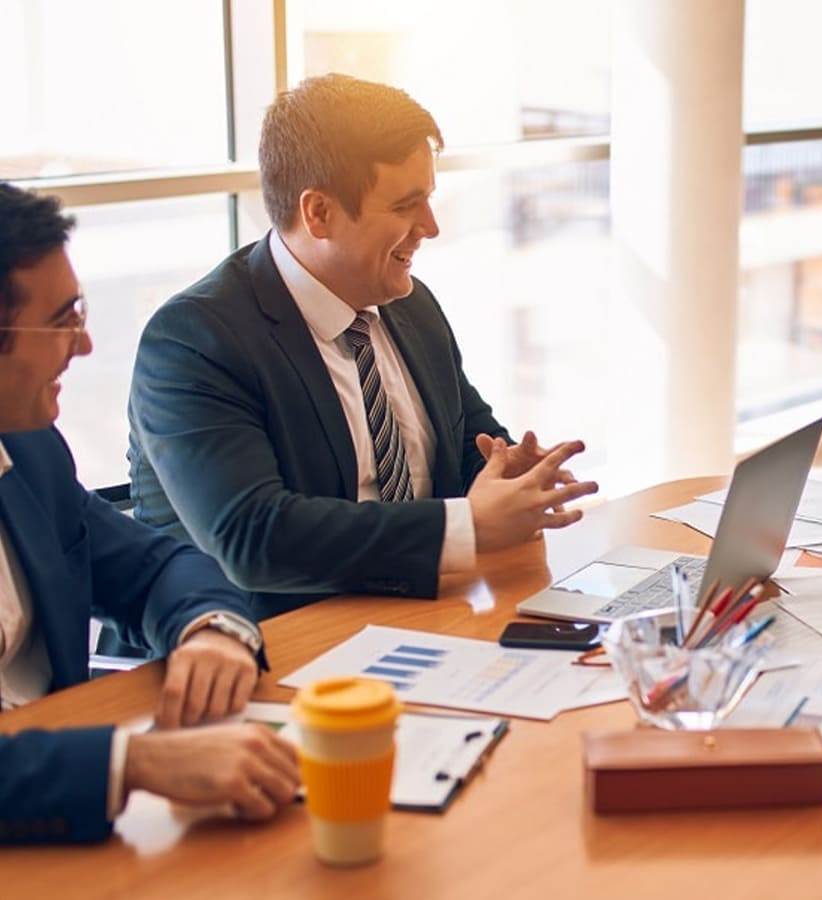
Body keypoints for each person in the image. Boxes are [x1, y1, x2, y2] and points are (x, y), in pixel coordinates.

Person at [127, 74, 598, 619]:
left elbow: (471, 439)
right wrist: (468, 527)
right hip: (266, 646)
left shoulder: (409, 303)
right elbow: (252, 537)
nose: (432, 227)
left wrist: (512, 477)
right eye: (406, 206)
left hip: (425, 614)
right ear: (319, 213)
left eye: (429, 199)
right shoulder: (195, 340)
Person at [0, 183, 298, 844]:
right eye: (61, 319)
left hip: (72, 827)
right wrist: (134, 762)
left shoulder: (28, 449)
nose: (83, 346)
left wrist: (211, 628)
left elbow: (154, 565)